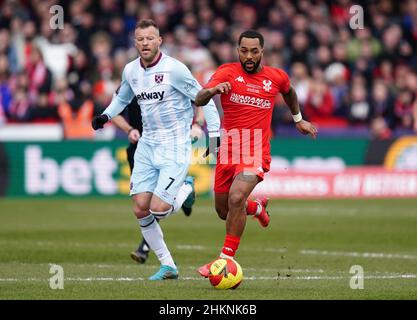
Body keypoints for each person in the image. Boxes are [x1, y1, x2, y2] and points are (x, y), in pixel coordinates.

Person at [91, 19, 220, 280]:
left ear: (159, 41)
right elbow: (122, 98)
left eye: (150, 38)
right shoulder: (130, 71)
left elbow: (204, 98)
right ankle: (168, 265)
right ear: (135, 42)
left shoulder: (175, 69)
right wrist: (105, 117)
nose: (145, 43)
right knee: (140, 207)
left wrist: (214, 136)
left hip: (174, 144)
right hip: (148, 144)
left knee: (159, 208)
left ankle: (186, 188)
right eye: (140, 39)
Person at [194, 30, 318, 277]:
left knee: (236, 197)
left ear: (262, 51)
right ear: (237, 50)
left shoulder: (275, 77)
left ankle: (225, 261)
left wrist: (298, 119)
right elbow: (198, 99)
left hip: (255, 149)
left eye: (254, 51)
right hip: (228, 147)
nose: (248, 56)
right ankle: (256, 208)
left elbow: (290, 92)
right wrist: (214, 90)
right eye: (244, 50)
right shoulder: (226, 72)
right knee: (224, 211)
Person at [111, 100, 206, 264]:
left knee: (157, 203)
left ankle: (145, 247)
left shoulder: (168, 78)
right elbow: (114, 111)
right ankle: (182, 194)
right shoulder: (132, 81)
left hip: (167, 147)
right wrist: (129, 129)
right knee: (143, 203)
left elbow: (202, 99)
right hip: (141, 148)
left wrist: (197, 124)